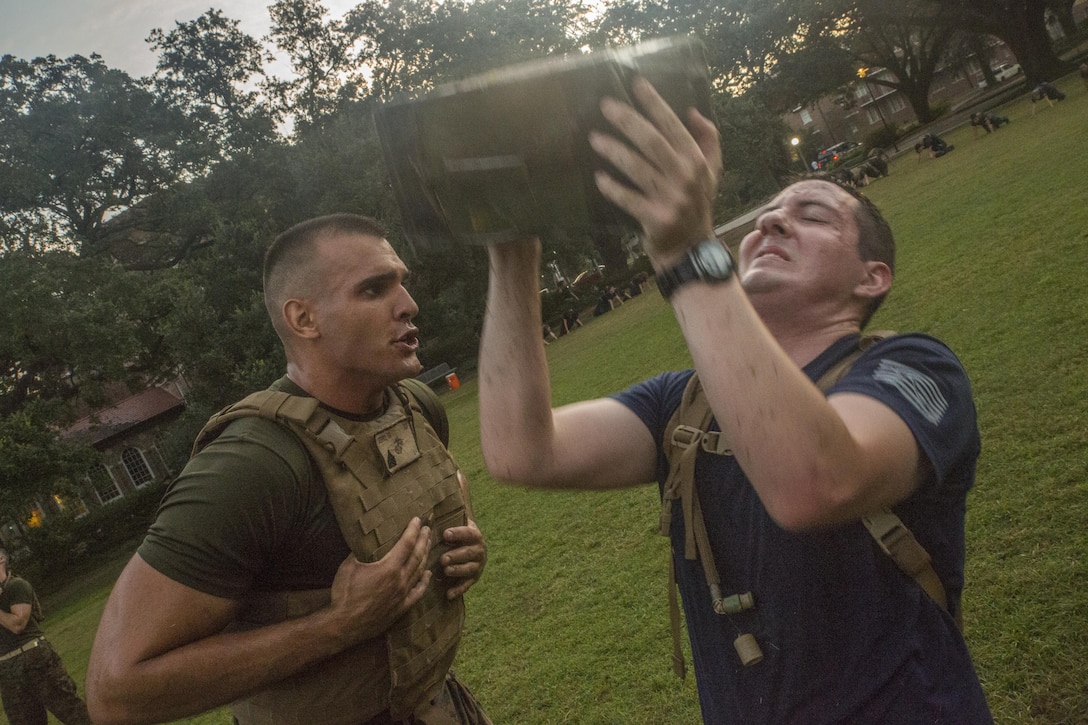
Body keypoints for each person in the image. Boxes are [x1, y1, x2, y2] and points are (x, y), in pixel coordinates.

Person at [477, 77, 991, 722]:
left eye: (813, 216)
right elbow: (522, 451)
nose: (773, 219)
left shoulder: (917, 368)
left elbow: (817, 484)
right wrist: (510, 249)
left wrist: (688, 254)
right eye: (770, 213)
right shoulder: (681, 404)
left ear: (872, 277)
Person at [87, 215, 490, 725]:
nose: (408, 305)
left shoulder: (413, 404)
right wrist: (340, 624)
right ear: (303, 319)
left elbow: (443, 480)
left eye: (402, 283)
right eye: (373, 289)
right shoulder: (251, 465)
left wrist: (463, 533)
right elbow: (116, 692)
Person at [0, 549, 91, 725]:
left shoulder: (17, 586)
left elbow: (18, 624)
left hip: (35, 658)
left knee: (72, 712)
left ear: (1, 559)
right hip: (7, 669)